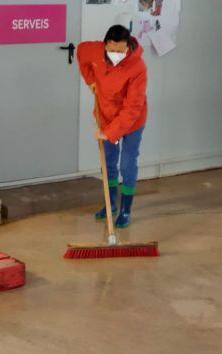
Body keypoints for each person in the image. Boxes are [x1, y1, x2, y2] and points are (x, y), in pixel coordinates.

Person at [77, 24, 148, 228]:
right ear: (105, 44)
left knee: (127, 163)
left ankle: (125, 210)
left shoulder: (137, 67)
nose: (117, 54)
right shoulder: (94, 51)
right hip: (106, 115)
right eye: (113, 50)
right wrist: (91, 80)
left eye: (121, 51)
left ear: (128, 47)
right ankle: (110, 205)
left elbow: (133, 108)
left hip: (132, 121)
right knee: (108, 164)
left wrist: (109, 133)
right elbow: (81, 52)